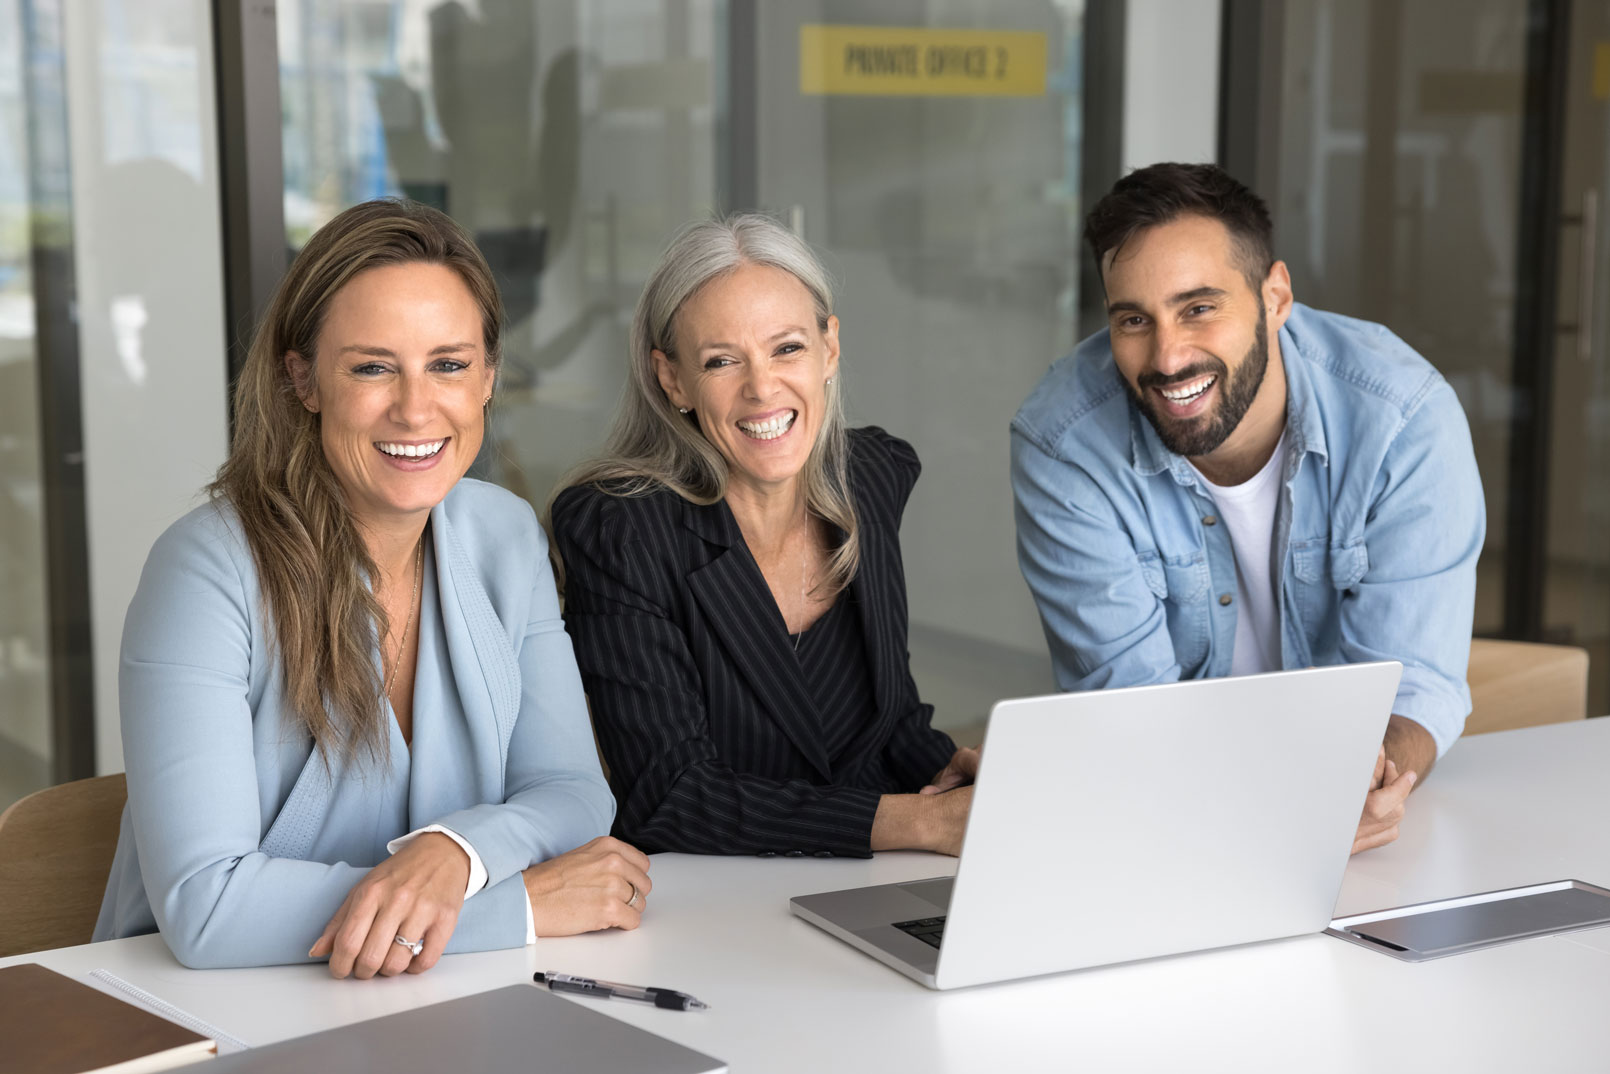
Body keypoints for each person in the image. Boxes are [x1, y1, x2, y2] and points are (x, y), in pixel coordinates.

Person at [95, 199, 650, 975]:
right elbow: (207, 908)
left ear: (489, 376)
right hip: (210, 1017)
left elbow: (570, 790)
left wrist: (452, 856)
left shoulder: (506, 535)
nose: (417, 407)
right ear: (303, 378)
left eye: (449, 365)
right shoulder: (203, 572)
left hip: (429, 1003)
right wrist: (514, 904)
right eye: (372, 367)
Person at [1011, 163, 1484, 854]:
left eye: (1199, 307)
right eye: (1134, 320)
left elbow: (1415, 686)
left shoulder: (1403, 420)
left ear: (1276, 297)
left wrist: (1369, 777)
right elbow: (1133, 712)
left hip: (1356, 845)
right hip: (1177, 831)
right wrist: (1275, 808)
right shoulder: (1064, 445)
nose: (1168, 357)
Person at [549, 215, 977, 858]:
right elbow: (669, 795)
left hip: (871, 885)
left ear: (829, 349)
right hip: (717, 905)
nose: (762, 388)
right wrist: (918, 824)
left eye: (787, 348)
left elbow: (890, 724)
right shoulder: (621, 532)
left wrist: (960, 785)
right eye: (722, 361)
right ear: (673, 381)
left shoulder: (873, 478)